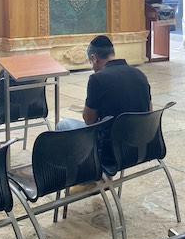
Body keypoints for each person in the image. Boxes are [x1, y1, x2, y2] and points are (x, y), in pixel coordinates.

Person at [57, 35, 151, 175]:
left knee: (63, 125)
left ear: (94, 58)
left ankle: (86, 176)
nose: (93, 67)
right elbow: (149, 112)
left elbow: (89, 121)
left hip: (109, 151)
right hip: (140, 147)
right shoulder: (140, 74)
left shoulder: (97, 79)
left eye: (91, 62)